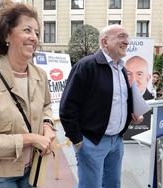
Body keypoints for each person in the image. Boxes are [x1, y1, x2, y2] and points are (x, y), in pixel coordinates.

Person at [0, 2, 56, 188]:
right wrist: (31, 138)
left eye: (37, 33)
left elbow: (46, 106)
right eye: (27, 30)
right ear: (7, 34)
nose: (34, 38)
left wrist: (47, 127)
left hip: (33, 169)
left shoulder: (40, 75)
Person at [60, 24, 143, 188]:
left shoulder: (121, 68)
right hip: (92, 142)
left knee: (113, 184)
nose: (127, 41)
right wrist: (77, 140)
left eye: (127, 37)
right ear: (105, 42)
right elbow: (67, 107)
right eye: (121, 36)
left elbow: (121, 99)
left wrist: (132, 114)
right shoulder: (86, 66)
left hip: (117, 141)